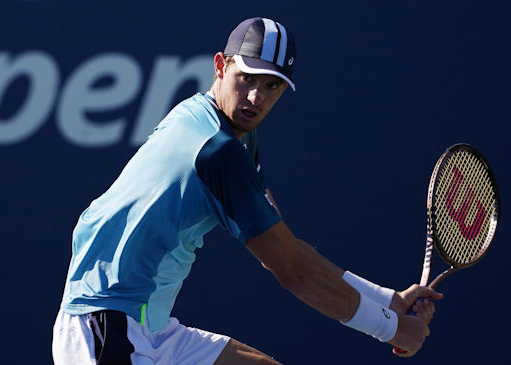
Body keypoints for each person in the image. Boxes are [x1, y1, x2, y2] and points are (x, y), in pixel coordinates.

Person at [52, 17, 443, 365]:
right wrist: (390, 329)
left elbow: (286, 249)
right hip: (106, 331)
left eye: (272, 86)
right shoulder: (217, 151)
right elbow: (293, 272)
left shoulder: (230, 132)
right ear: (221, 67)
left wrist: (387, 300)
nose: (256, 97)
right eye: (247, 79)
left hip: (146, 326)